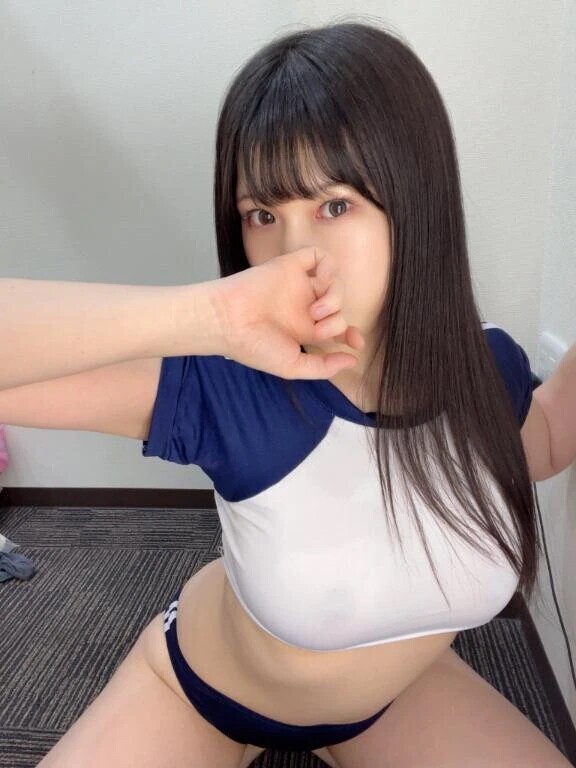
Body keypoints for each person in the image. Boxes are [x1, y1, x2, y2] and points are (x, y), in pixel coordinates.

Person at [2, 18, 572, 768]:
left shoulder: (485, 372)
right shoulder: (225, 383)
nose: (294, 256)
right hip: (204, 694)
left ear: (416, 202)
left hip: (393, 701)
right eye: (262, 216)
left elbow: (547, 440)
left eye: (335, 206)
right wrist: (208, 315)